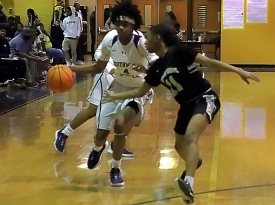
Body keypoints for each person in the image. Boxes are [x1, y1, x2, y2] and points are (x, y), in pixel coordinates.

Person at [103, 24, 261, 203]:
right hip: (185, 106)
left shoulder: (180, 51)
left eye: (147, 37)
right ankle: (194, 161)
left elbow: (209, 62)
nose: (144, 42)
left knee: (190, 135)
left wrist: (238, 70)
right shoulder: (156, 66)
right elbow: (140, 92)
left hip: (204, 98)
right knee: (179, 146)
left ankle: (189, 183)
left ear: (158, 38)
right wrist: (115, 95)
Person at [64, 0, 158, 187]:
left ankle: (115, 168)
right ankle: (98, 149)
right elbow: (98, 67)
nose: (121, 27)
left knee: (121, 124)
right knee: (100, 135)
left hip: (136, 90)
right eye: (118, 23)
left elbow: (158, 66)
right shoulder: (110, 40)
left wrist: (145, 70)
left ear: (133, 25)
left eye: (126, 24)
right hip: (116, 87)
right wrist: (70, 68)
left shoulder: (141, 43)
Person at [53, 29, 146, 157]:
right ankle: (64, 133)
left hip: (128, 80)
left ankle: (116, 144)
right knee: (93, 109)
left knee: (131, 114)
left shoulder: (139, 38)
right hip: (106, 76)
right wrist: (111, 69)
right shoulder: (113, 35)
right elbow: (97, 55)